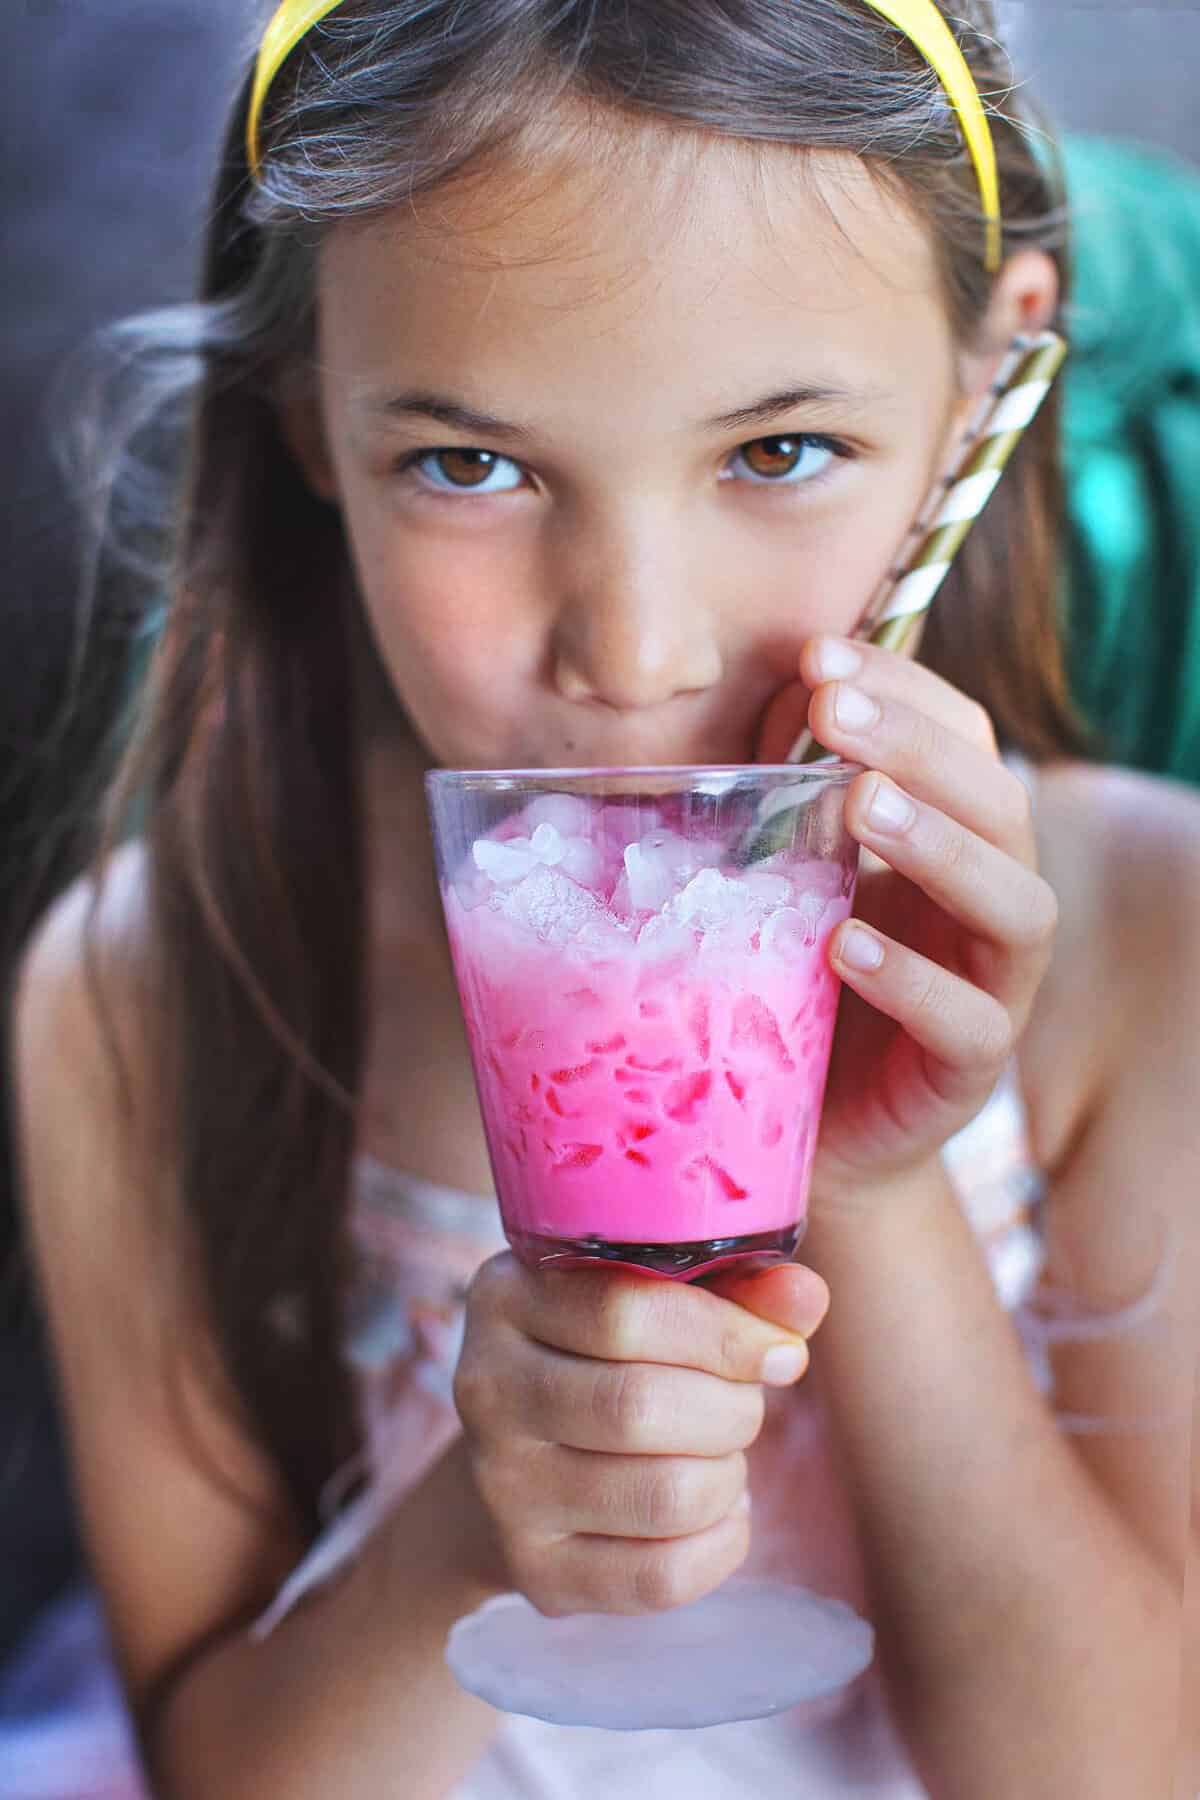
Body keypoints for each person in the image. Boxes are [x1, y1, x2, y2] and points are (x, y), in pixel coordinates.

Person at [7, 2, 1197, 1794]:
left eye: (779, 451)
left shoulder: (1150, 933)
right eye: (469, 463)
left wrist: (860, 1175)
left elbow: (1101, 1770)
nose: (634, 652)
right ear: (308, 417)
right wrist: (490, 1512)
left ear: (985, 378)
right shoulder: (147, 994)